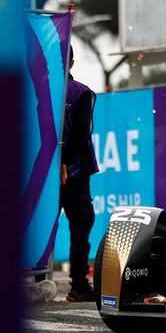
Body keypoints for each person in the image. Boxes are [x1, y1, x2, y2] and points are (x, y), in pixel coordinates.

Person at [61, 46, 99, 302]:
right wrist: (64, 164)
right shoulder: (81, 93)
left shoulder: (37, 93)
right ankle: (78, 285)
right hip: (73, 171)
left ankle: (34, 278)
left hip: (43, 171)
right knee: (81, 221)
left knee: (37, 226)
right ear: (72, 62)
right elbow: (81, 135)